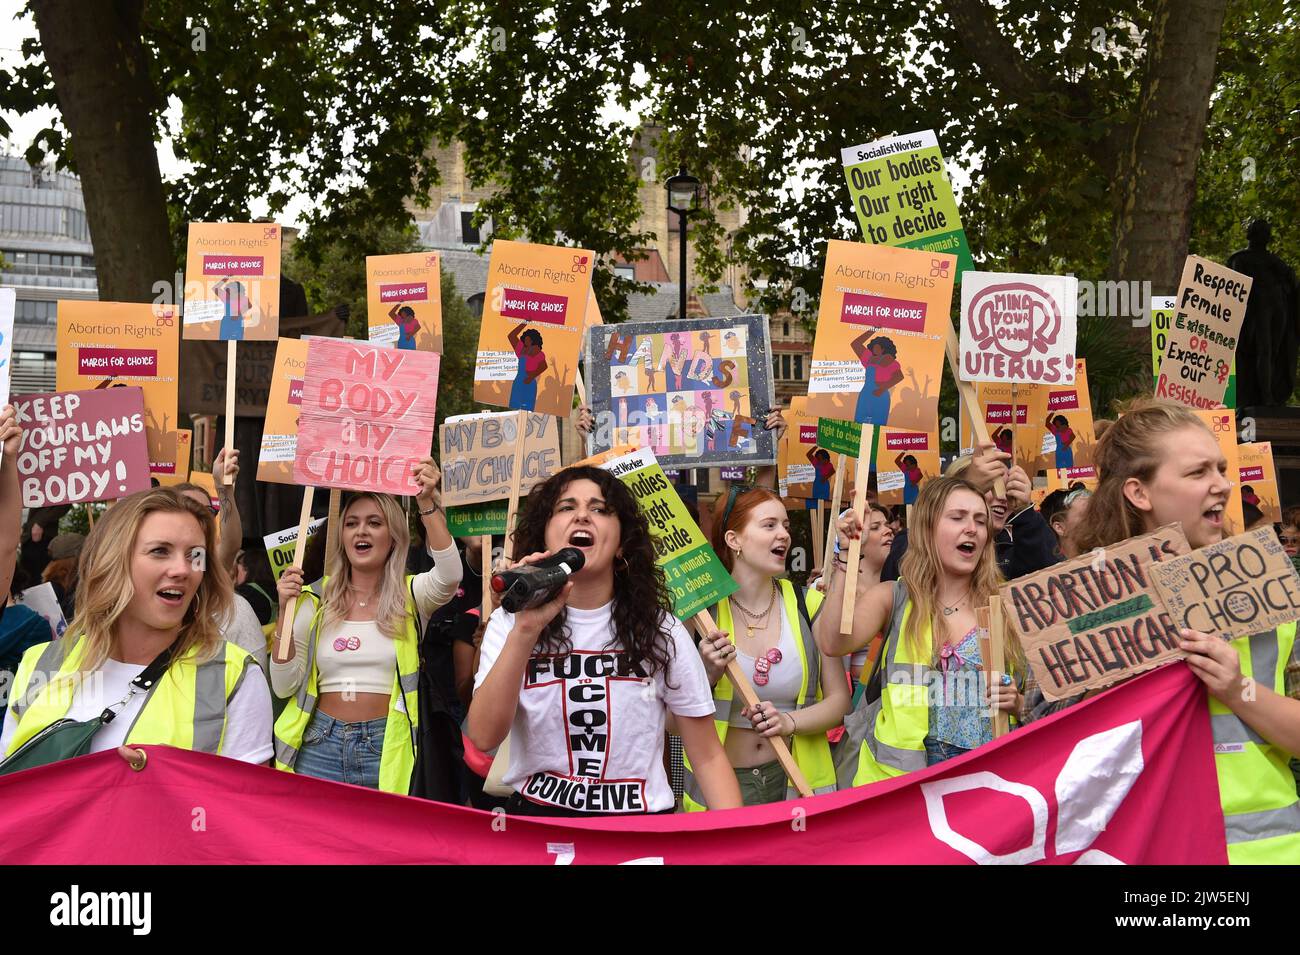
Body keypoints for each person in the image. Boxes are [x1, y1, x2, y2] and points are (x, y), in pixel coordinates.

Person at [1071, 399, 1300, 863]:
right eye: (1198, 473)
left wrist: (1239, 691)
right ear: (1140, 493)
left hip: (1261, 852)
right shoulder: (1087, 606)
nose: (1223, 484)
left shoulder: (1272, 586)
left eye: (1220, 468)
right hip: (1142, 851)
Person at [467, 466, 743, 815]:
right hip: (541, 831)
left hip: (637, 833)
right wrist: (526, 629)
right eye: (566, 507)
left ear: (622, 543)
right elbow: (483, 736)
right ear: (544, 536)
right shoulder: (511, 622)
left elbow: (707, 757)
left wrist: (738, 845)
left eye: (599, 509)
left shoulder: (662, 631)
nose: (582, 515)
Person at [1, 488, 273, 768]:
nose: (182, 569)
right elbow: (12, 794)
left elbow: (246, 807)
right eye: (159, 551)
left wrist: (154, 787)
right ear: (112, 561)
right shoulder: (39, 663)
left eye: (195, 555)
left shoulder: (234, 677)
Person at [271, 458, 462, 793]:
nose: (361, 531)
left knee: (384, 844)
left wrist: (426, 502)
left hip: (387, 744)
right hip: (318, 744)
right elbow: (284, 685)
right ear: (341, 536)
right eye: (352, 523)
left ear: (393, 537)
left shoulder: (411, 594)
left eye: (374, 523)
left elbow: (450, 576)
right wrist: (285, 612)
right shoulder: (311, 600)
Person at [818, 477, 1024, 783]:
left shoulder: (1008, 604)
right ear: (927, 528)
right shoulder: (894, 596)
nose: (972, 528)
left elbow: (1047, 700)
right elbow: (832, 642)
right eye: (957, 518)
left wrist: (1018, 703)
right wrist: (846, 555)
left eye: (980, 521)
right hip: (907, 781)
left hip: (989, 777)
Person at [689, 486, 849, 807]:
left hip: (795, 781)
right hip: (723, 787)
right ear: (734, 540)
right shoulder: (700, 614)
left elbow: (840, 702)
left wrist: (789, 723)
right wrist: (707, 675)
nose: (784, 535)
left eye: (786, 526)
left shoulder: (810, 604)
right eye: (770, 525)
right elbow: (666, 718)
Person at [851, 329, 903, 426]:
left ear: (883, 349)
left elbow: (899, 376)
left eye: (877, 347)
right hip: (865, 395)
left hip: (880, 397)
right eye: (873, 347)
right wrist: (874, 328)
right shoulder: (868, 358)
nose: (874, 349)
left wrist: (882, 388)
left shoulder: (889, 360)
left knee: (877, 428)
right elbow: (856, 344)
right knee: (858, 425)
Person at [1042, 487, 1091, 559]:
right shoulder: (1051, 568)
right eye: (1085, 515)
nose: (1097, 520)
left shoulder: (1106, 557)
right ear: (1060, 528)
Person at [507, 325, 547, 411]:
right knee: (514, 410)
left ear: (533, 340)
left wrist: (531, 377)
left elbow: (544, 366)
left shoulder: (538, 353)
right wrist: (524, 322)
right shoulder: (521, 349)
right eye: (525, 339)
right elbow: (511, 336)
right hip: (518, 383)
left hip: (529, 385)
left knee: (527, 412)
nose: (525, 341)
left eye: (527, 339)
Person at [214, 276, 255, 341]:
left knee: (236, 343)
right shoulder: (226, 297)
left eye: (231, 287)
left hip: (237, 323)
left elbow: (250, 306)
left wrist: (239, 313)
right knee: (223, 343)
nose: (227, 289)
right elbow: (215, 288)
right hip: (226, 322)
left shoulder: (243, 298)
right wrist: (226, 277)